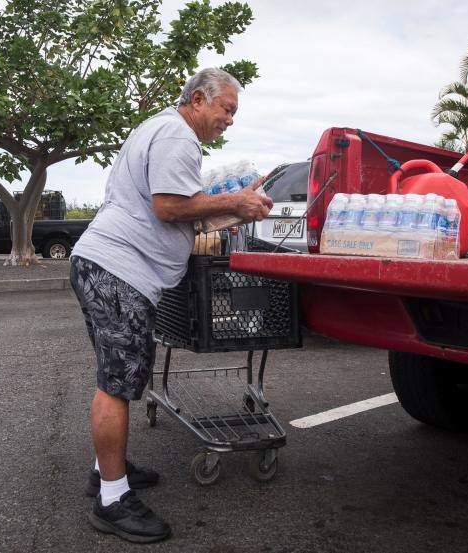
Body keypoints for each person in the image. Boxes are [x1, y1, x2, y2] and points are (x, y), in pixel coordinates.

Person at [69, 67, 273, 543]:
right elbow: (168, 206)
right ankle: (113, 502)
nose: (229, 120)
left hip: (108, 266)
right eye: (227, 109)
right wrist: (233, 203)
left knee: (117, 377)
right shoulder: (178, 135)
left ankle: (107, 473)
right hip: (119, 269)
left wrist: (235, 209)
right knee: (117, 385)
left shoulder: (162, 129)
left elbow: (179, 213)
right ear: (198, 100)